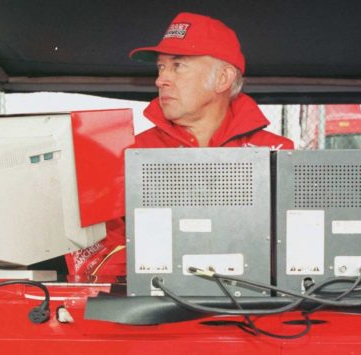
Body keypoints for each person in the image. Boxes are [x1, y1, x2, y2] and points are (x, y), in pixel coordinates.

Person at [67, 12, 293, 282]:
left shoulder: (278, 152)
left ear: (223, 78)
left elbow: (300, 251)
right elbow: (93, 255)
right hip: (155, 312)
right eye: (161, 68)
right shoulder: (128, 153)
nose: (161, 80)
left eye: (178, 65)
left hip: (255, 313)